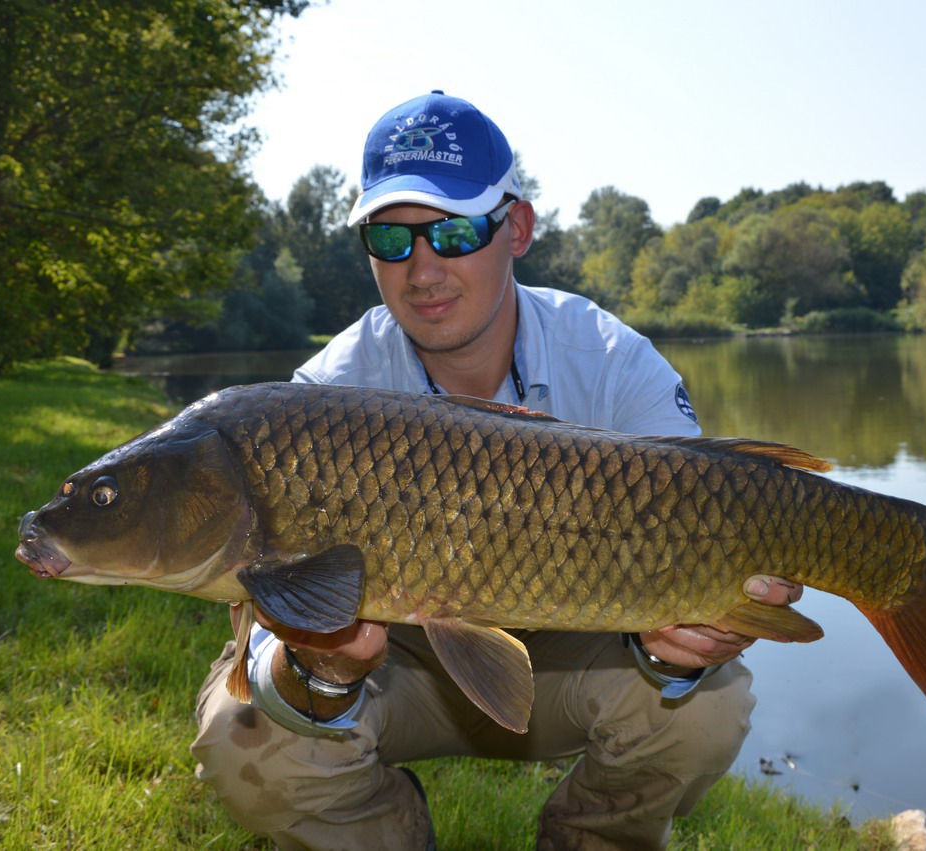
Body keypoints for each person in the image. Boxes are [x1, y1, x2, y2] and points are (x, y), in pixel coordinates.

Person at [191, 91, 803, 850]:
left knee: (705, 701)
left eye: (451, 231)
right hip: (395, 668)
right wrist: (326, 668)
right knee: (246, 732)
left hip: (577, 661)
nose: (422, 270)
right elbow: (268, 630)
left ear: (516, 228)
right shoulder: (323, 396)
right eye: (390, 238)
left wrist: (672, 647)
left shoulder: (611, 363)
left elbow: (711, 518)